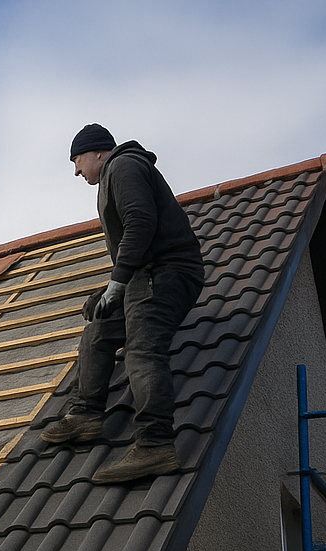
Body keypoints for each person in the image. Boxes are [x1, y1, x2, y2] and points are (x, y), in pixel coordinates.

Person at [42, 124, 205, 484]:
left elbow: (140, 222)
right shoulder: (113, 175)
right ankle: (85, 415)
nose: (75, 171)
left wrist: (118, 282)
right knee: (98, 330)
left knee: (143, 351)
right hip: (143, 274)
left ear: (98, 152)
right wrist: (109, 290)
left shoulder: (124, 165)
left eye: (77, 160)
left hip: (165, 273)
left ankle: (155, 445)